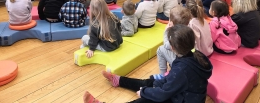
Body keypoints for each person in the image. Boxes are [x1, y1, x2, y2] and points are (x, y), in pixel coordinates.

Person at [83, 25, 213, 103]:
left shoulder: (182, 69)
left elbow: (164, 93)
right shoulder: (195, 55)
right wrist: (151, 86)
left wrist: (144, 92)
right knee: (150, 82)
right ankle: (119, 80)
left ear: (172, 47)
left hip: (184, 100)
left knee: (147, 99)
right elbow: (169, 81)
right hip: (184, 94)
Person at [156, 6, 192, 76]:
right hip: (189, 58)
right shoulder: (188, 30)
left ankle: (163, 75)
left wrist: (166, 31)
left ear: (171, 23)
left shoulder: (175, 34)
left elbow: (167, 46)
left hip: (180, 62)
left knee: (160, 50)